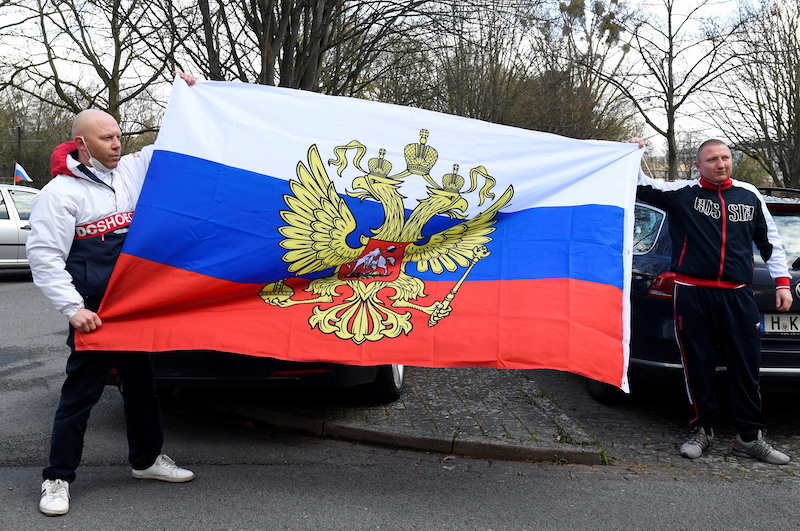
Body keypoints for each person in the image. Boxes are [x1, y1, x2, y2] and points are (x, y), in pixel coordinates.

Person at [28, 73, 197, 517]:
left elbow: (172, 144)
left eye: (120, 135)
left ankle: (146, 460)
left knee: (143, 387)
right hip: (96, 313)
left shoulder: (131, 171)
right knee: (80, 396)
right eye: (107, 138)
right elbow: (45, 257)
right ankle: (57, 479)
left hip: (135, 306)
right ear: (82, 143)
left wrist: (190, 97)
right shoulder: (59, 194)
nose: (118, 144)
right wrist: (73, 309)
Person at [631, 138, 792, 464]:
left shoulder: (749, 196)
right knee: (698, 365)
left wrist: (783, 283)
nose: (721, 164)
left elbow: (769, 241)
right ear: (698, 165)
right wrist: (633, 155)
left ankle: (750, 438)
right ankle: (702, 430)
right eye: (713, 160)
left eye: (725, 157)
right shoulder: (683, 194)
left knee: (746, 367)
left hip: (737, 296)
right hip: (692, 295)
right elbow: (640, 188)